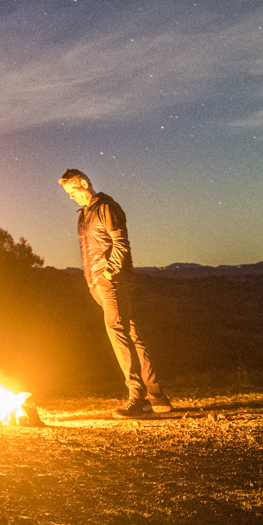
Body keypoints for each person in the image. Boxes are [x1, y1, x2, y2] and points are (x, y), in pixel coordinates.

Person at [59, 168, 172, 418]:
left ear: (84, 183)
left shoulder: (106, 207)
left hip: (111, 281)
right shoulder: (84, 214)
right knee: (130, 332)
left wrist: (108, 274)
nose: (70, 197)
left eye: (72, 191)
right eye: (67, 193)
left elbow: (121, 243)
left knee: (117, 332)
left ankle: (137, 398)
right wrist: (94, 280)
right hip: (97, 283)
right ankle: (156, 397)